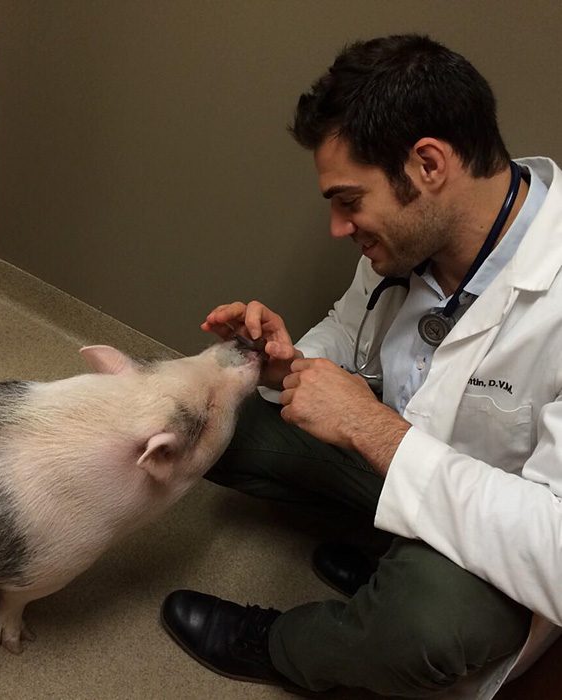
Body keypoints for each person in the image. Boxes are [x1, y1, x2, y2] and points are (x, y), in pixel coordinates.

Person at [159, 34, 562, 698]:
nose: (338, 228)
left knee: (428, 624)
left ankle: (282, 646)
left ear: (428, 165)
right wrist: (277, 365)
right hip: (396, 472)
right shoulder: (406, 241)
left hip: (499, 548)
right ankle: (385, 557)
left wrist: (373, 429)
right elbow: (345, 342)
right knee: (207, 409)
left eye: (348, 201)